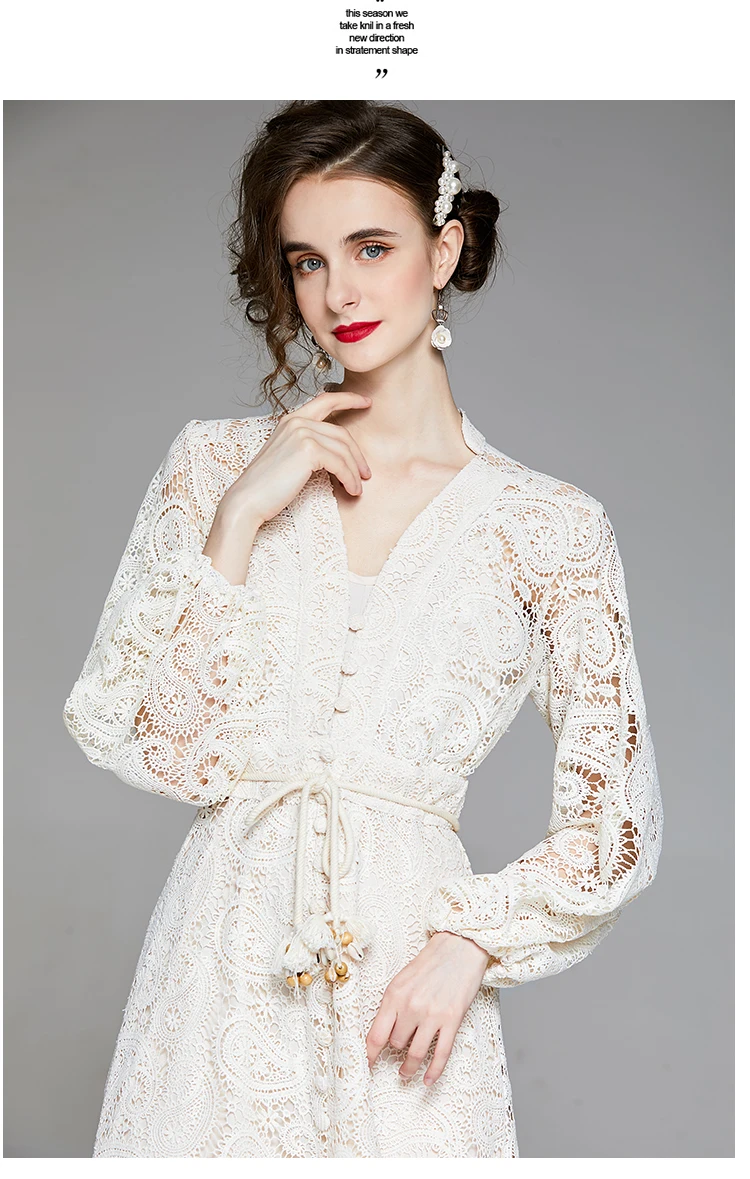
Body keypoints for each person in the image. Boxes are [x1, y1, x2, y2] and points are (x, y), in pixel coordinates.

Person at [62, 99, 663, 1159]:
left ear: (445, 250)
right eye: (307, 261)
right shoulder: (215, 467)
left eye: (371, 247)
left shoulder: (550, 528)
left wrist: (470, 945)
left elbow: (615, 825)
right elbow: (159, 748)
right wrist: (241, 516)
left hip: (407, 992)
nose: (337, 293)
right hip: (218, 971)